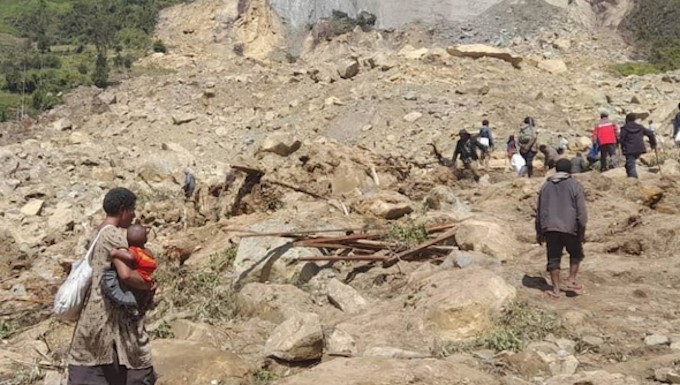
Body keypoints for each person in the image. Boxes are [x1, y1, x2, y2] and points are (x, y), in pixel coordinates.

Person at [68, 188, 156, 385]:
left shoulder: (98, 233)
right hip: (112, 316)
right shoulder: (114, 236)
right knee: (135, 364)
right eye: (132, 210)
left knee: (94, 367)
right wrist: (148, 284)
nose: (134, 216)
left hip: (92, 315)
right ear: (123, 210)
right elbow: (126, 273)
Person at [536, 158, 588, 300]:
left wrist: (539, 231)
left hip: (550, 228)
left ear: (556, 169)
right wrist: (582, 229)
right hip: (570, 227)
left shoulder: (545, 186)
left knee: (553, 258)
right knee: (576, 254)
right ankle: (571, 280)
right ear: (570, 169)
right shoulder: (574, 185)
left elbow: (540, 210)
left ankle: (556, 290)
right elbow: (581, 211)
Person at [109, 224, 157, 308]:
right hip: (149, 270)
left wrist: (116, 253)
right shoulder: (147, 251)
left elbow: (130, 257)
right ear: (145, 240)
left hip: (143, 274)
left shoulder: (134, 250)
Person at [620, 113, 657, 178]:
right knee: (629, 165)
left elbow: (622, 140)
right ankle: (631, 177)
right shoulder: (640, 127)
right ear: (634, 119)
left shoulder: (624, 128)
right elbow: (651, 134)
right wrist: (653, 144)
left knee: (631, 165)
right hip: (640, 148)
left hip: (629, 149)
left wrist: (622, 148)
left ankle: (634, 180)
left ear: (627, 119)